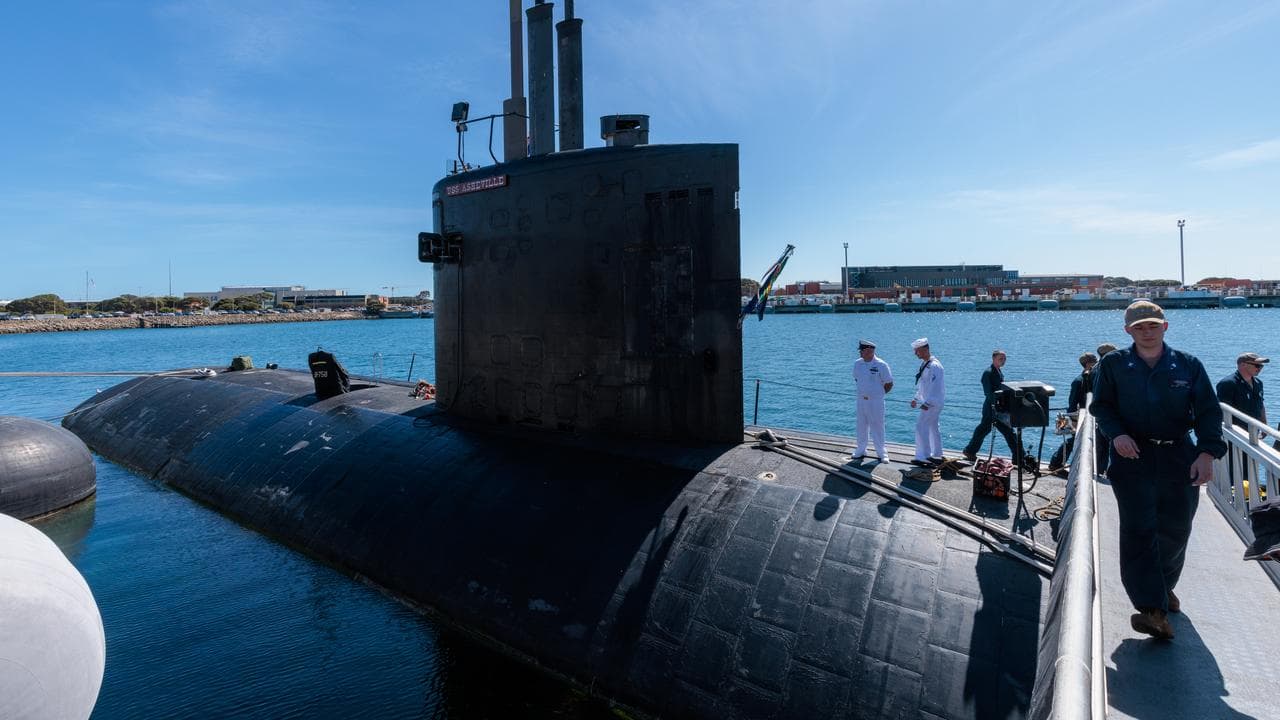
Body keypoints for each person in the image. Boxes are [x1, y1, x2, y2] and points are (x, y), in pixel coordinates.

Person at [1090, 300, 1225, 640]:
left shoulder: (1188, 365)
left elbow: (1208, 412)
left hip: (1179, 455)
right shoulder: (1114, 365)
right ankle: (1152, 609)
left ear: (1165, 326)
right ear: (1128, 331)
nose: (1146, 332)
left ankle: (1163, 588)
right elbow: (1102, 406)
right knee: (1138, 530)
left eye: (1152, 325)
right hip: (1132, 456)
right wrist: (1117, 434)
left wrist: (1207, 453)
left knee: (1177, 528)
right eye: (1139, 327)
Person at [962, 350, 1028, 465]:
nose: (1003, 361)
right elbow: (988, 393)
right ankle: (1019, 457)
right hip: (992, 409)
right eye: (1000, 359)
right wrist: (998, 406)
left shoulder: (997, 371)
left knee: (992, 431)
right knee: (998, 431)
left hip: (998, 408)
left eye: (1004, 359)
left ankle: (1019, 457)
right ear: (993, 359)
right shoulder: (988, 373)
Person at [1217, 352, 1269, 492]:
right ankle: (1234, 494)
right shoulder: (1228, 384)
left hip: (1252, 434)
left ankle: (1248, 494)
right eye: (1257, 365)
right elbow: (1222, 411)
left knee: (1250, 466)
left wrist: (1264, 424)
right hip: (1235, 436)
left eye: (1261, 366)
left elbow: (1260, 404)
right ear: (1243, 365)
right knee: (1235, 467)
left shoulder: (1258, 383)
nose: (1259, 368)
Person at [852, 339, 894, 461]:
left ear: (870, 350)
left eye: (862, 350)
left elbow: (889, 383)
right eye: (860, 350)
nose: (860, 353)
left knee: (877, 426)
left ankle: (881, 452)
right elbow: (857, 379)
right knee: (861, 425)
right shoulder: (857, 364)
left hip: (876, 401)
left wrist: (877, 394)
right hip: (861, 400)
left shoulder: (881, 365)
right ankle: (861, 449)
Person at [909, 337, 945, 466]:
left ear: (925, 349)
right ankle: (937, 454)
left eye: (917, 350)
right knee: (932, 427)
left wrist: (927, 403)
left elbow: (936, 387)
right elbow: (923, 385)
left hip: (932, 403)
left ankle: (923, 457)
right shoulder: (925, 364)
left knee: (921, 427)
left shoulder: (934, 366)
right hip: (929, 401)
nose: (915, 353)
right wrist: (916, 398)